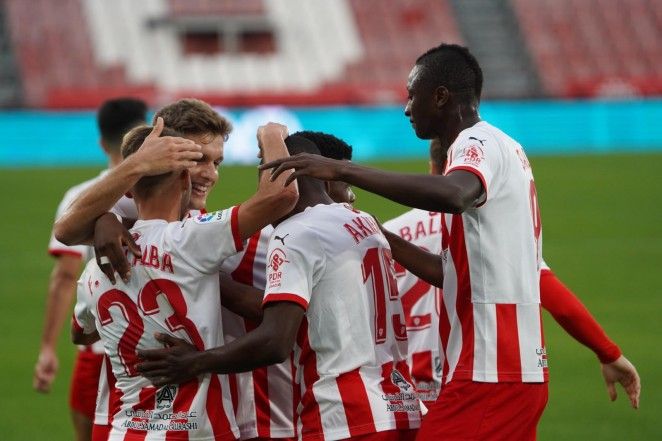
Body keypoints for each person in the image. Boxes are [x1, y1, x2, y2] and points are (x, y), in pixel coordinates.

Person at [260, 43, 549, 440]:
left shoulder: (473, 142)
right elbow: (449, 274)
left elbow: (452, 194)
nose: (406, 107)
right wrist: (377, 233)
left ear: (441, 96)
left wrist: (343, 169)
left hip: (489, 366)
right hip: (514, 364)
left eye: (412, 95)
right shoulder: (510, 148)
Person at [136, 135, 422, 441]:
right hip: (400, 404)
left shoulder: (296, 234)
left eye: (265, 172)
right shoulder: (364, 223)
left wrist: (194, 362)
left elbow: (275, 340)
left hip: (344, 414)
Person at [71, 121, 298, 440]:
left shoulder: (99, 262)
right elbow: (282, 194)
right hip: (196, 429)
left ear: (129, 189)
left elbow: (80, 334)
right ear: (184, 179)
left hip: (127, 429)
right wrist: (271, 135)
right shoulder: (191, 240)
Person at [383, 139, 640, 409]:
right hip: (469, 381)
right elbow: (557, 300)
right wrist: (608, 352)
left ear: (431, 169)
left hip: (407, 394)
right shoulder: (489, 235)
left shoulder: (393, 233)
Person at [56, 98, 241, 439]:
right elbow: (65, 231)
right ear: (165, 152)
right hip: (129, 407)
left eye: (217, 162)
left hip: (194, 409)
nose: (211, 174)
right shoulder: (126, 206)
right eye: (199, 159)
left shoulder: (197, 223)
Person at [218, 130, 355, 441]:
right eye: (346, 184)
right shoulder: (245, 239)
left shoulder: (355, 233)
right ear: (321, 178)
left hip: (318, 415)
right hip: (271, 421)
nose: (351, 196)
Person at [33, 97, 147, 441]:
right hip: (156, 348)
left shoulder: (80, 197)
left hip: (99, 348)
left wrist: (48, 348)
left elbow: (66, 276)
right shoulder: (168, 189)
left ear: (102, 142)